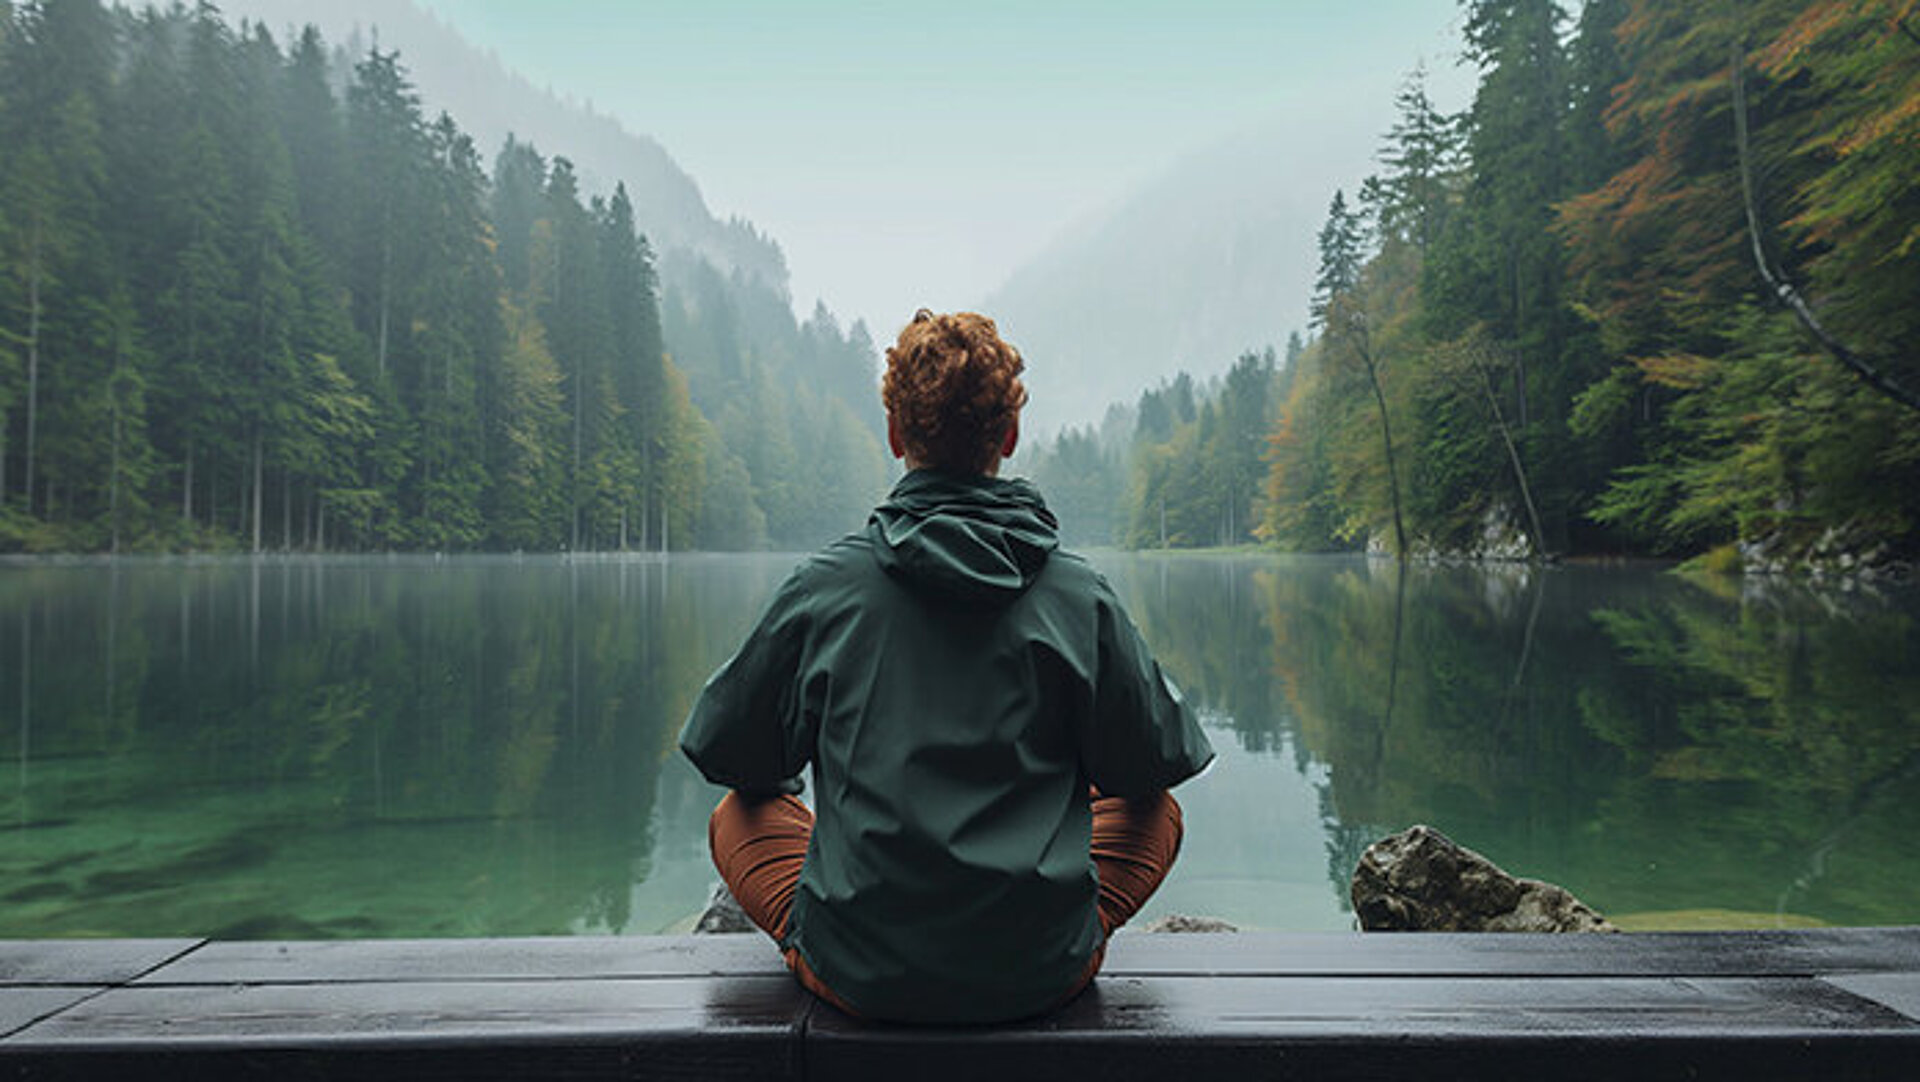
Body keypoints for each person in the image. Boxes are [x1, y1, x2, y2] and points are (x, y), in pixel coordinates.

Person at [680, 309, 1213, 1024]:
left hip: (858, 973)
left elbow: (727, 751)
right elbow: (1156, 763)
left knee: (737, 815)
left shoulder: (826, 588)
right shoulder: (1076, 595)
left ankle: (847, 934)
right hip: (1039, 975)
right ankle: (1042, 939)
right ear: (1010, 436)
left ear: (896, 435)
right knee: (1157, 813)